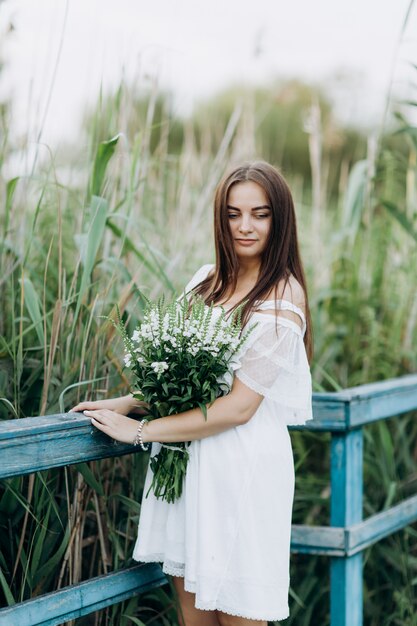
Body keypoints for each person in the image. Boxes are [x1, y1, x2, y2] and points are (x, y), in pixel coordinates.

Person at [71, 161, 313, 626]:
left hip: (241, 468)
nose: (245, 227)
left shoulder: (281, 298)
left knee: (240, 615)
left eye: (260, 214)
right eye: (232, 213)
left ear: (279, 220)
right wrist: (123, 403)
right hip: (187, 467)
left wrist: (140, 431)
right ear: (219, 218)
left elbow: (240, 406)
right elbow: (182, 380)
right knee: (195, 616)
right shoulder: (205, 283)